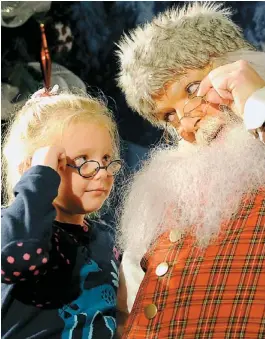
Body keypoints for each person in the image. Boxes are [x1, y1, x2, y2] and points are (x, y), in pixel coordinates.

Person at [115, 3, 265, 338]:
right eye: (168, 115)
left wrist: (257, 102)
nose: (186, 123)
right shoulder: (165, 194)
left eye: (192, 88)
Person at [1, 86, 122, 339]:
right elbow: (19, 255)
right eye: (82, 159)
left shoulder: (108, 239)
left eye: (106, 157)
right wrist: (41, 177)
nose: (102, 172)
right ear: (33, 167)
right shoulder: (12, 226)